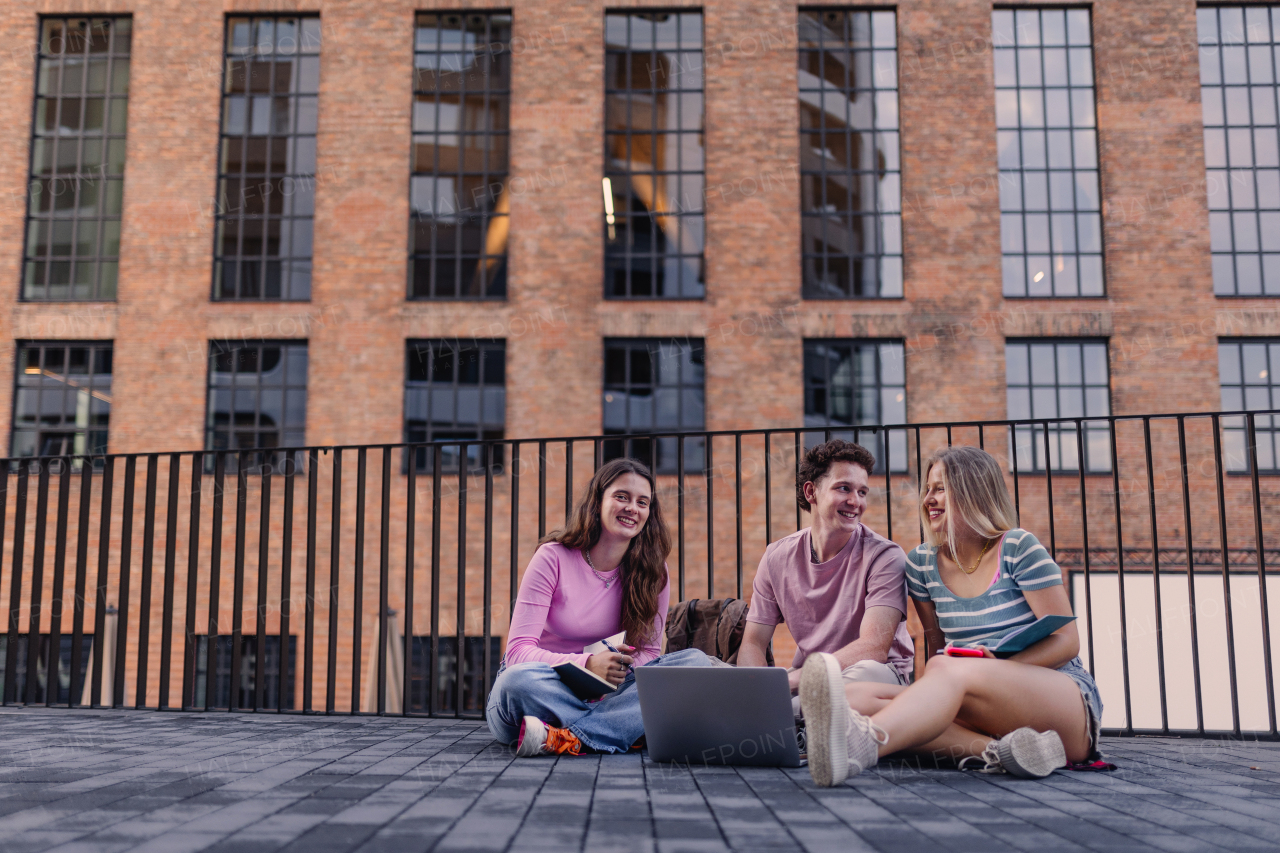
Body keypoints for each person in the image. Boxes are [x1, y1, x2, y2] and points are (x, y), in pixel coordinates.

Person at [800, 445, 1105, 786]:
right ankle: (1006, 753)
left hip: (1062, 702)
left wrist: (994, 668)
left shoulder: (1018, 547)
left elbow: (1068, 642)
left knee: (946, 669)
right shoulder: (921, 564)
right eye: (927, 489)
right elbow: (936, 648)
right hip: (977, 704)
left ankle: (865, 743)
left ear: (973, 490)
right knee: (850, 697)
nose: (929, 498)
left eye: (941, 488)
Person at [486, 457, 711, 756]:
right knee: (516, 682)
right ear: (597, 501)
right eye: (622, 497)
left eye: (643, 502)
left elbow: (649, 652)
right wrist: (588, 664)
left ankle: (570, 738)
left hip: (607, 693)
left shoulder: (654, 572)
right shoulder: (552, 557)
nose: (633, 508)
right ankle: (622, 728)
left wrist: (620, 670)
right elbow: (517, 653)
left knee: (694, 663)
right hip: (542, 692)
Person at [737, 440, 915, 713]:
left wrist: (793, 681)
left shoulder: (886, 557)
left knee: (860, 676)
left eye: (863, 492)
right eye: (844, 488)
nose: (856, 502)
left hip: (876, 676)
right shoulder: (776, 557)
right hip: (809, 678)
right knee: (706, 669)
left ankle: (788, 716)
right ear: (811, 492)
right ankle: (791, 717)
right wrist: (758, 686)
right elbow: (753, 642)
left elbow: (873, 648)